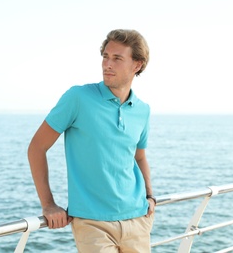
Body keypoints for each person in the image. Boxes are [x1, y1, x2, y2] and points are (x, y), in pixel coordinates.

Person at [28, 29, 156, 252]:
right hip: (92, 223)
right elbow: (37, 148)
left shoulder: (143, 110)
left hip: (137, 218)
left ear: (137, 64)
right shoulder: (78, 98)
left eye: (117, 58)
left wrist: (149, 196)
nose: (107, 64)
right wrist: (48, 205)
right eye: (105, 56)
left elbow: (140, 156)